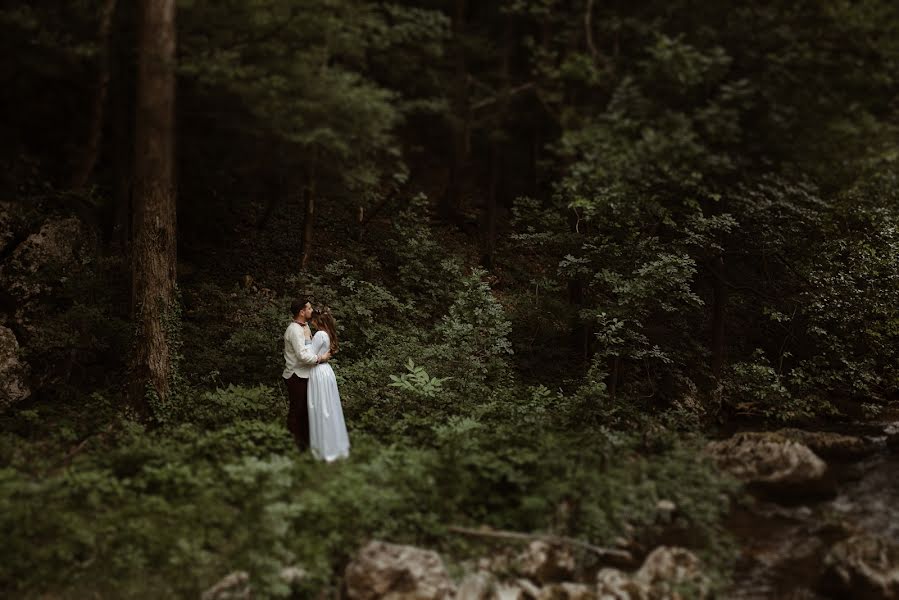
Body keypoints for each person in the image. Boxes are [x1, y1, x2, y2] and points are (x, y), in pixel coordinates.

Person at [283, 298, 330, 451]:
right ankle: (293, 445)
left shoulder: (306, 327)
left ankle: (307, 444)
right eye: (309, 308)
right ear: (302, 312)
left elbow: (309, 349)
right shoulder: (294, 330)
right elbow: (302, 355)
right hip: (296, 375)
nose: (312, 311)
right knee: (297, 410)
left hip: (307, 375)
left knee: (307, 410)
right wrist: (320, 358)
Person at [307, 308, 350, 461]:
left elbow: (309, 355)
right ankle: (334, 444)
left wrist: (305, 342)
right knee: (329, 408)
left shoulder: (320, 334)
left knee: (321, 407)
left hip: (318, 371)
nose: (312, 322)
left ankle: (323, 447)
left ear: (320, 322)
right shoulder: (329, 334)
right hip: (326, 371)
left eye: (314, 320)